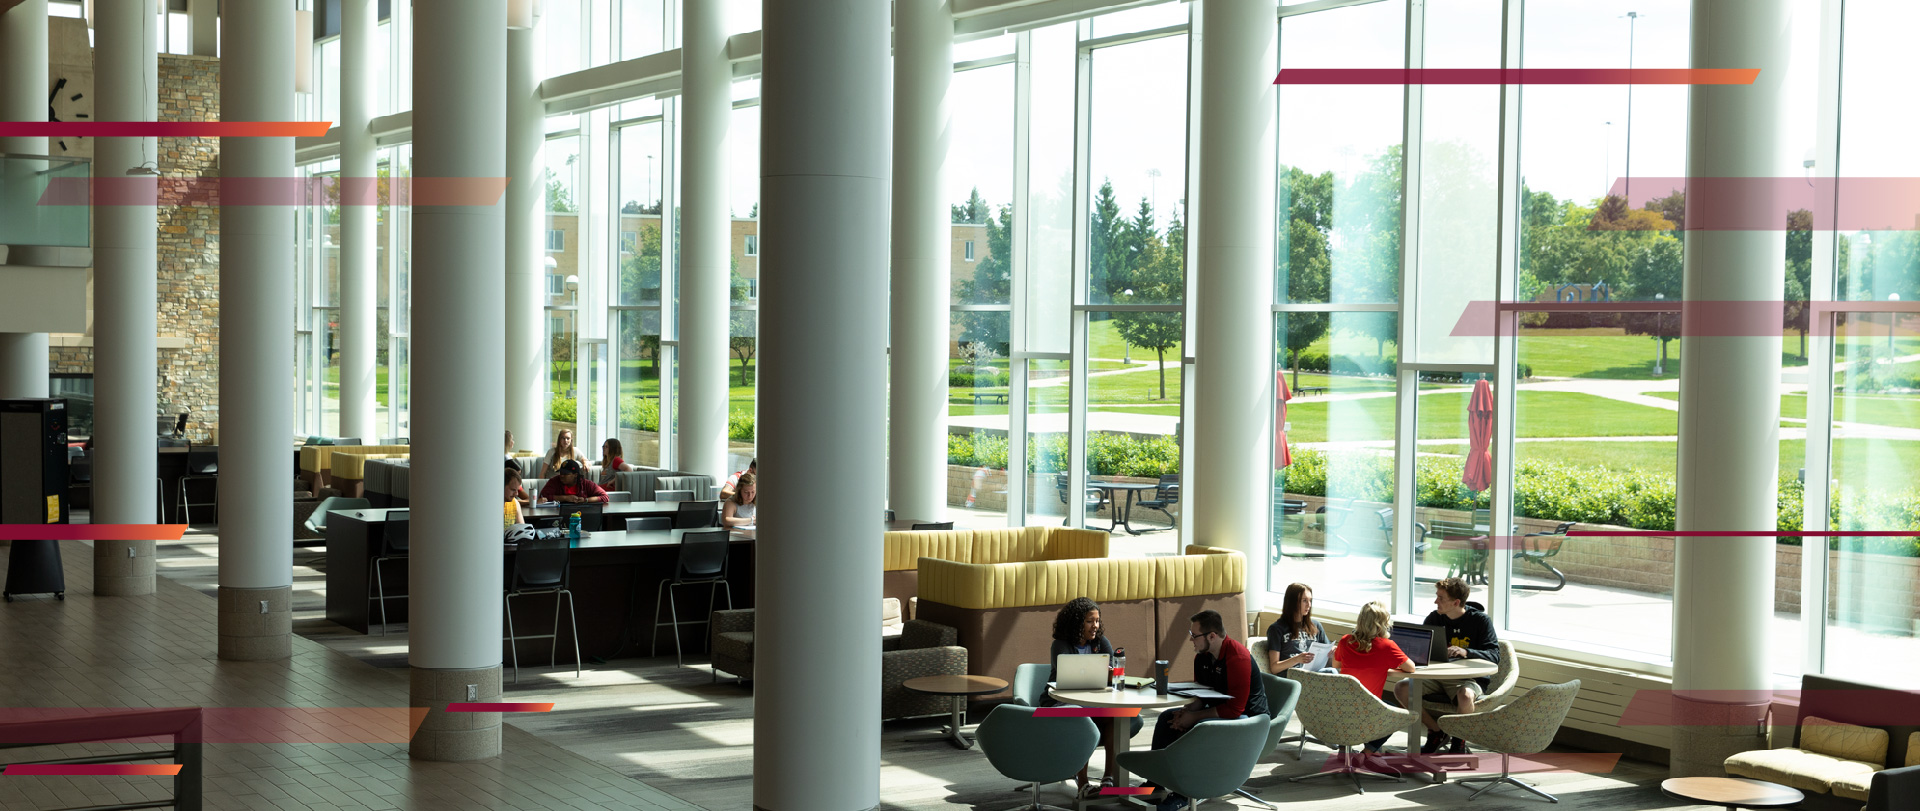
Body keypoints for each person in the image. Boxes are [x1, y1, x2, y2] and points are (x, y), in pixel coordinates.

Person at [1147, 610, 1267, 810]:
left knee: (1202, 727)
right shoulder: (1201, 658)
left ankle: (1184, 793)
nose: (1191, 640)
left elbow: (1235, 709)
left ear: (1212, 636)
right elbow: (1201, 696)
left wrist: (1194, 718)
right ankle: (1154, 784)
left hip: (1249, 720)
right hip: (1222, 711)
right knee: (1167, 718)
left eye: (1194, 636)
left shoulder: (1237, 656)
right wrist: (1185, 713)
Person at [1394, 576, 1500, 756]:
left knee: (1465, 696)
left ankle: (1459, 741)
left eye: (1441, 598)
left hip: (1467, 678)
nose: (1436, 601)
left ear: (1456, 602)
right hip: (1436, 676)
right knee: (1401, 688)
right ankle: (1436, 731)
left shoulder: (1480, 621)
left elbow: (1494, 655)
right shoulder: (1434, 618)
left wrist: (1466, 652)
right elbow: (1421, 649)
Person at [1045, 597, 1126, 798]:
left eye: (1097, 621)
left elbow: (1115, 674)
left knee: (1118, 715)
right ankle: (1083, 783)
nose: (1095, 626)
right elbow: (1068, 676)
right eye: (1090, 621)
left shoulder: (1101, 642)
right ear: (1077, 623)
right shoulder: (1060, 645)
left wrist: (1111, 673)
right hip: (1061, 704)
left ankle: (1108, 778)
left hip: (1094, 703)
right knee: (1081, 715)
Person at [1333, 601, 1418, 761]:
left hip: (1342, 708)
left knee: (1362, 709)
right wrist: (1383, 666)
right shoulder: (1387, 646)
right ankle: (1367, 753)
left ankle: (1344, 750)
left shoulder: (1346, 641)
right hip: (1368, 711)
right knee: (1398, 713)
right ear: (1382, 624)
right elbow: (1411, 668)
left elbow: (1336, 664)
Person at [1264, 583, 1328, 673]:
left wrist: (1333, 653)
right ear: (1293, 602)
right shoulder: (1276, 629)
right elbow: (1274, 668)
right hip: (1291, 676)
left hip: (1312, 674)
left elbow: (1327, 653)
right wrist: (1296, 659)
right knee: (1331, 673)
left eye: (1310, 601)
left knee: (1335, 672)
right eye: (1304, 600)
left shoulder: (1316, 625)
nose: (1309, 605)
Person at [538, 459, 609, 504]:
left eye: (565, 474)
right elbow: (542, 497)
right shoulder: (554, 481)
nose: (562, 476)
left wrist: (586, 500)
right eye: (561, 473)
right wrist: (565, 498)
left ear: (575, 475)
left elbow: (605, 497)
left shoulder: (585, 484)